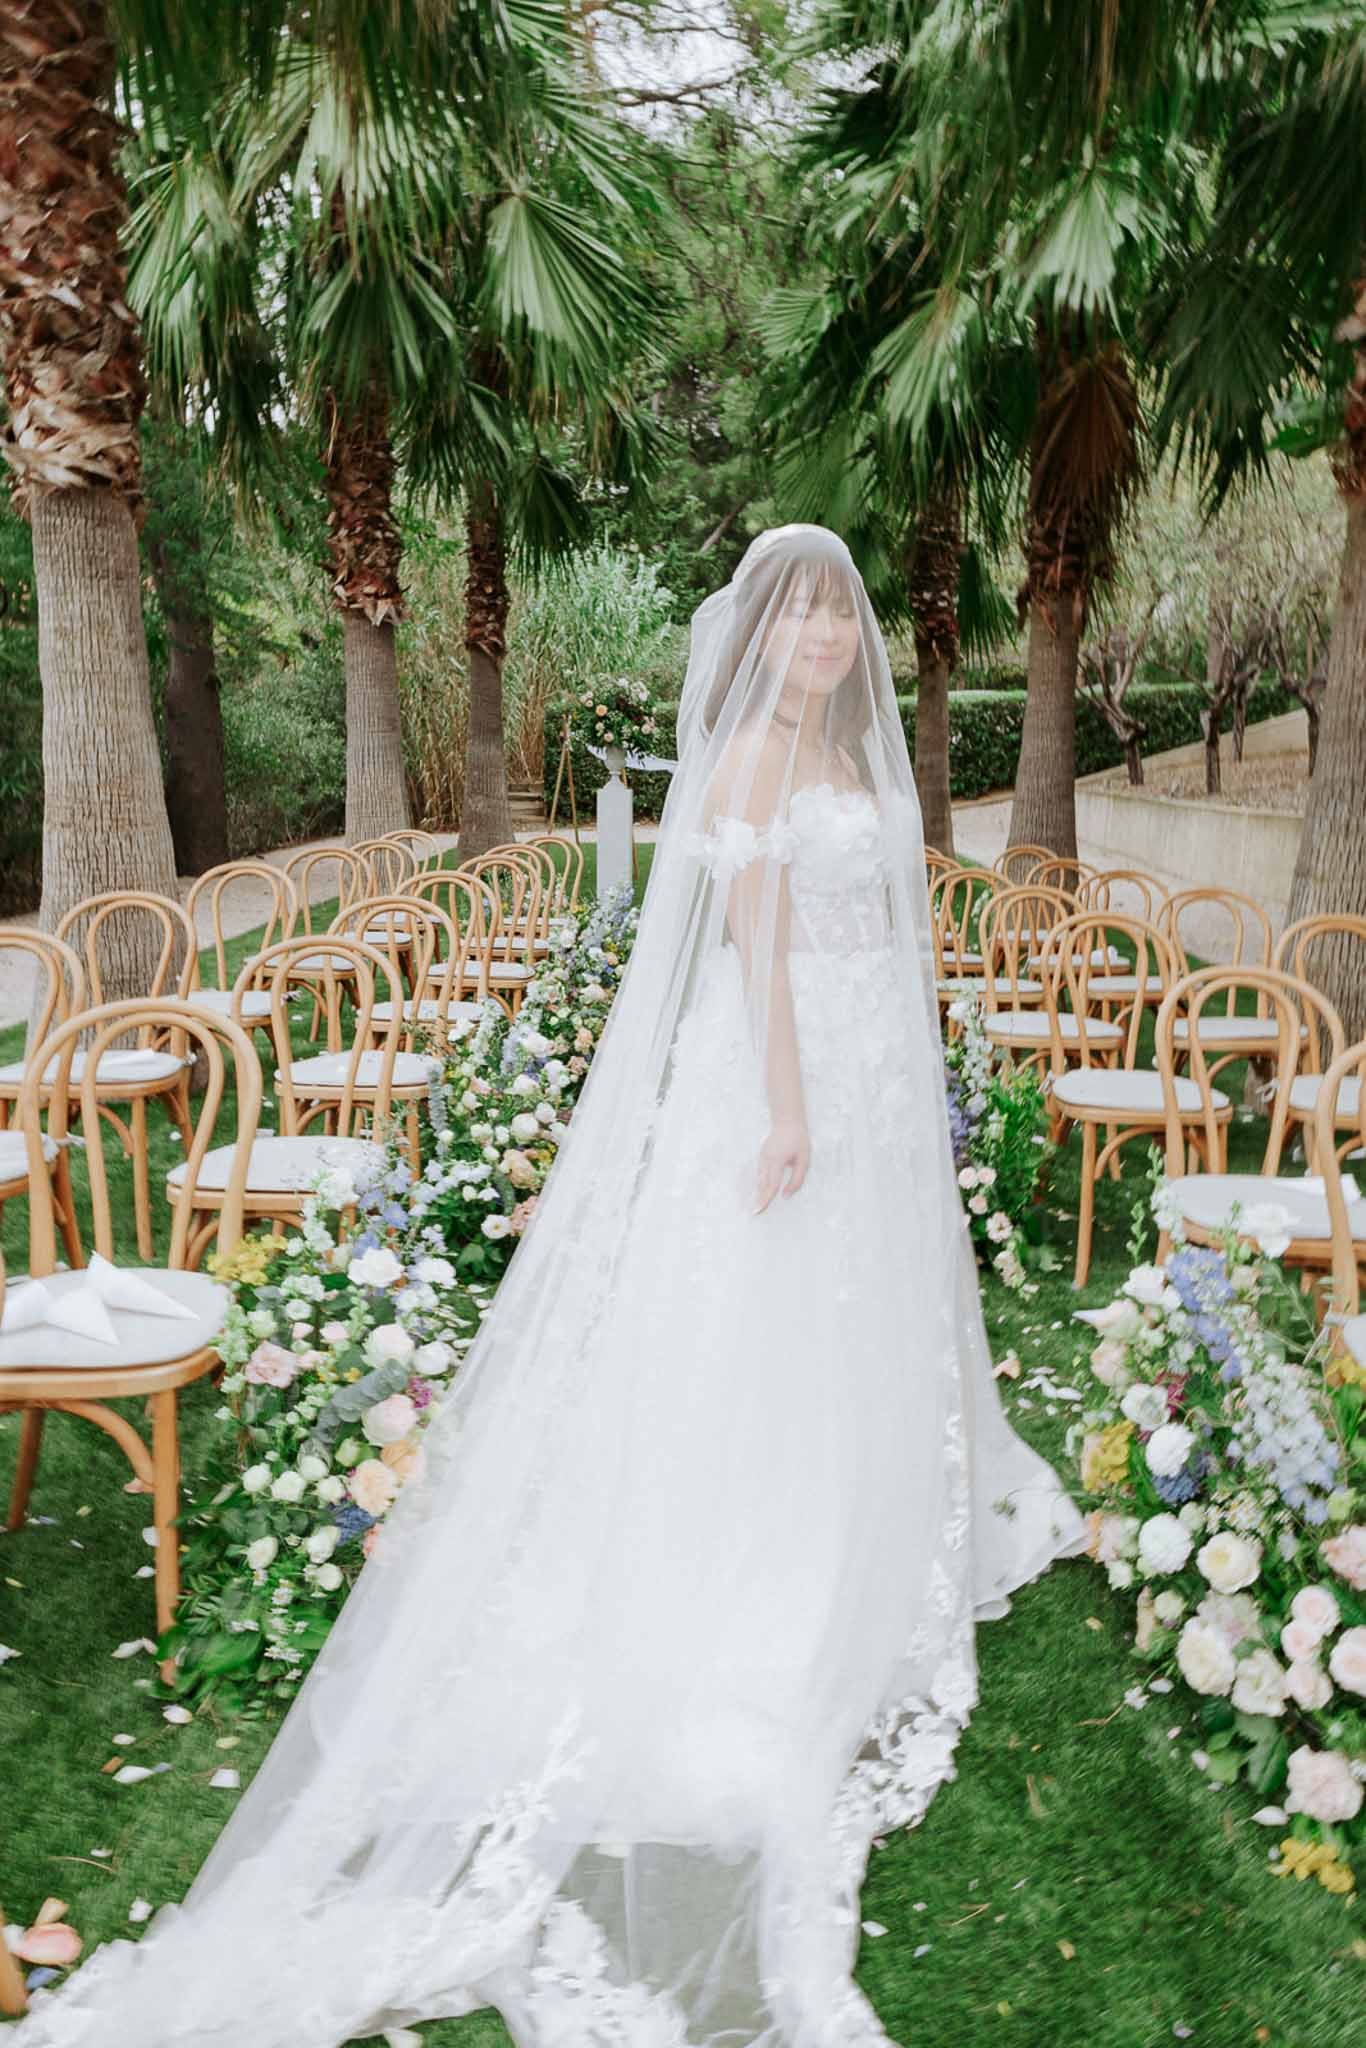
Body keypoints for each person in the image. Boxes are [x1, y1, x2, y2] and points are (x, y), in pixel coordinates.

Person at [10, 525, 1088, 2048]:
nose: (823, 645)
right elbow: (761, 944)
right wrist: (789, 1104)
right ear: (756, 639)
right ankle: (762, 1538)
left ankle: (853, 1492)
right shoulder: (755, 766)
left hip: (864, 1059)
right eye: (799, 626)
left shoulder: (838, 753)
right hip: (782, 1071)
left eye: (837, 625)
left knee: (846, 1308)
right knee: (764, 1297)